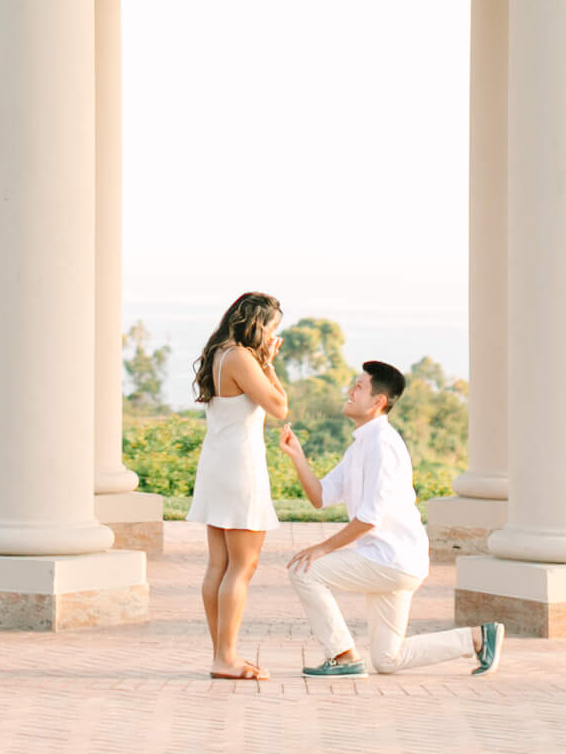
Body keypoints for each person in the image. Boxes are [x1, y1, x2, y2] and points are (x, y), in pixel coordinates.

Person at [280, 361, 503, 677]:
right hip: (392, 560)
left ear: (378, 401)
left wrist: (321, 549)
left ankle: (343, 657)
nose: (350, 391)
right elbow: (320, 496)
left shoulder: (383, 445)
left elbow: (369, 519)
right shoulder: (361, 445)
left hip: (391, 559)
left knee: (305, 571)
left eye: (359, 386)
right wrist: (297, 457)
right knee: (388, 660)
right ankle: (478, 638)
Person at [186, 290, 289, 680]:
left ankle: (221, 655)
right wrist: (269, 366)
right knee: (242, 566)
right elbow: (280, 408)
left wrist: (268, 365)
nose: (270, 338)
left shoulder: (220, 354)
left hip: (217, 465)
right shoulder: (242, 358)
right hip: (239, 468)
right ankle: (225, 657)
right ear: (258, 325)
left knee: (220, 564)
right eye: (271, 329)